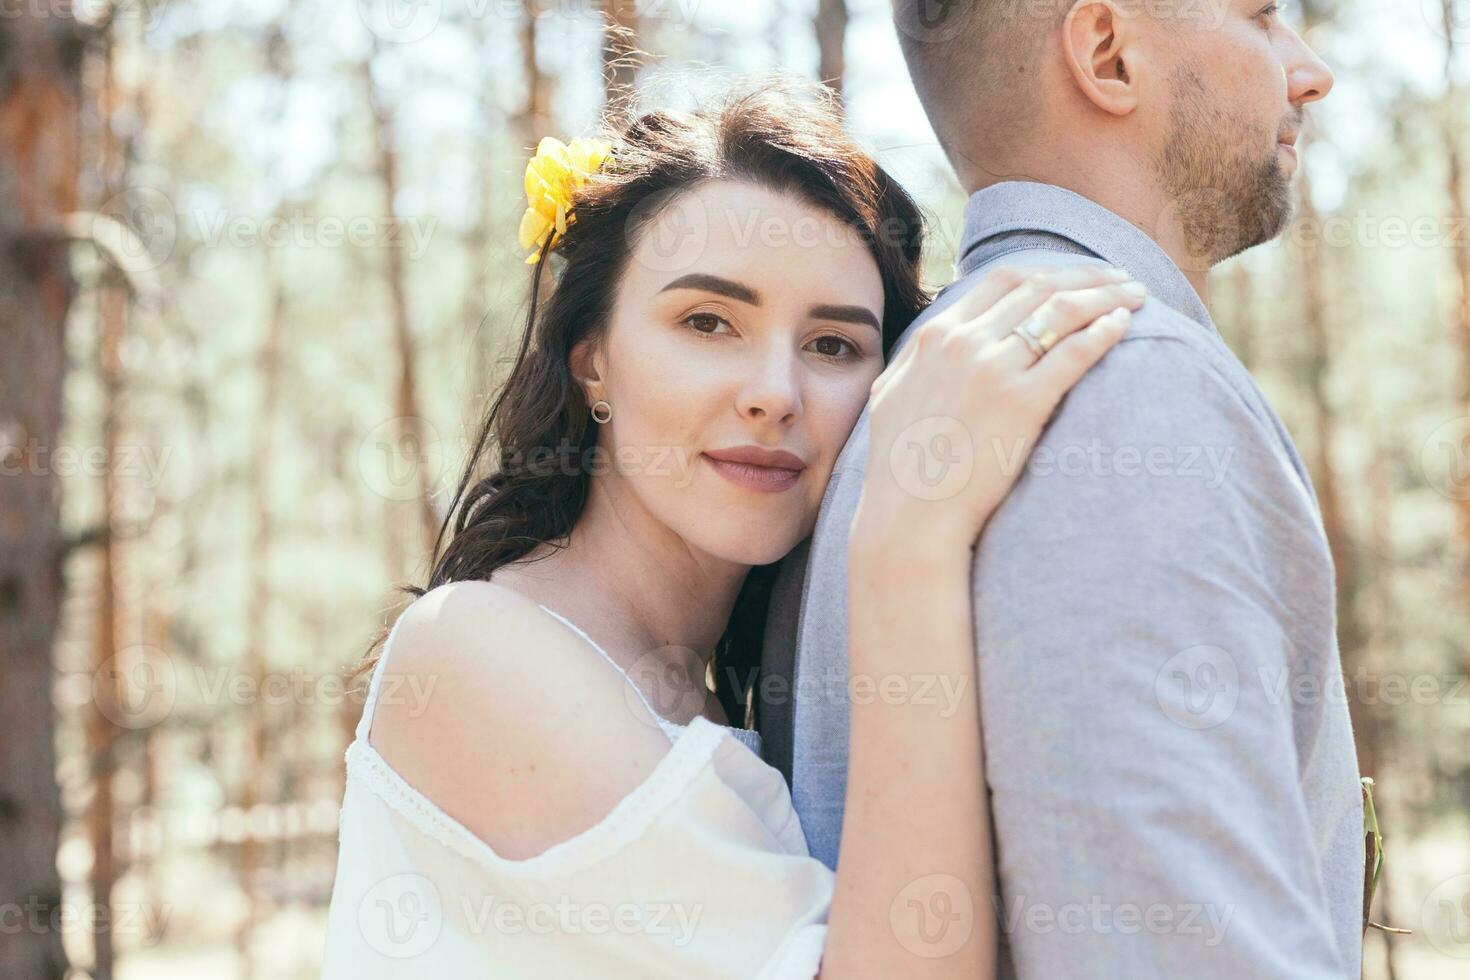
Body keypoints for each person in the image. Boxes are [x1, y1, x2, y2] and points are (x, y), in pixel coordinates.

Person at [321, 80, 1144, 977]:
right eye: (708, 321)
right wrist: (911, 545)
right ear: (592, 362)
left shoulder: (713, 693)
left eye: (833, 345)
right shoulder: (476, 653)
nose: (775, 394)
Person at [760, 3, 1362, 977]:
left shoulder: (933, 380)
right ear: (1108, 54)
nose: (1309, 70)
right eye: (1261, 17)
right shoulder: (1121, 388)